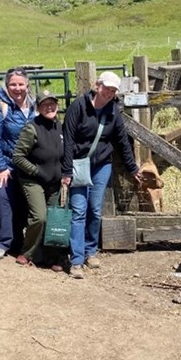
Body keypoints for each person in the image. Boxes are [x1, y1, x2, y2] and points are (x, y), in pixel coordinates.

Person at [61, 71, 141, 278]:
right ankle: (76, 260)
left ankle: (91, 251)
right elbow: (68, 140)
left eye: (113, 90)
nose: (109, 93)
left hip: (101, 165)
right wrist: (66, 170)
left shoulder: (113, 111)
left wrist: (132, 167)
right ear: (97, 86)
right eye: (107, 88)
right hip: (79, 164)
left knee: (95, 210)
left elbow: (122, 141)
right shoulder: (78, 107)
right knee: (79, 210)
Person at [0, 67, 35, 260]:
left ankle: (19, 242)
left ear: (27, 85)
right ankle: (3, 242)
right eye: (13, 84)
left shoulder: (34, 107)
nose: (17, 88)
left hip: (27, 165)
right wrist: (0, 168)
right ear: (6, 86)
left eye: (21, 84)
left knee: (23, 202)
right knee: (3, 199)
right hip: (5, 163)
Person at [12, 91, 64, 270]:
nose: (49, 107)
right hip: (33, 180)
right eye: (45, 105)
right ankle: (27, 252)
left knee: (53, 218)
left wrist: (65, 174)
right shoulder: (32, 128)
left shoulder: (60, 127)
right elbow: (18, 156)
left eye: (52, 104)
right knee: (40, 217)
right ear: (38, 108)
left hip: (54, 181)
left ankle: (52, 257)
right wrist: (36, 171)